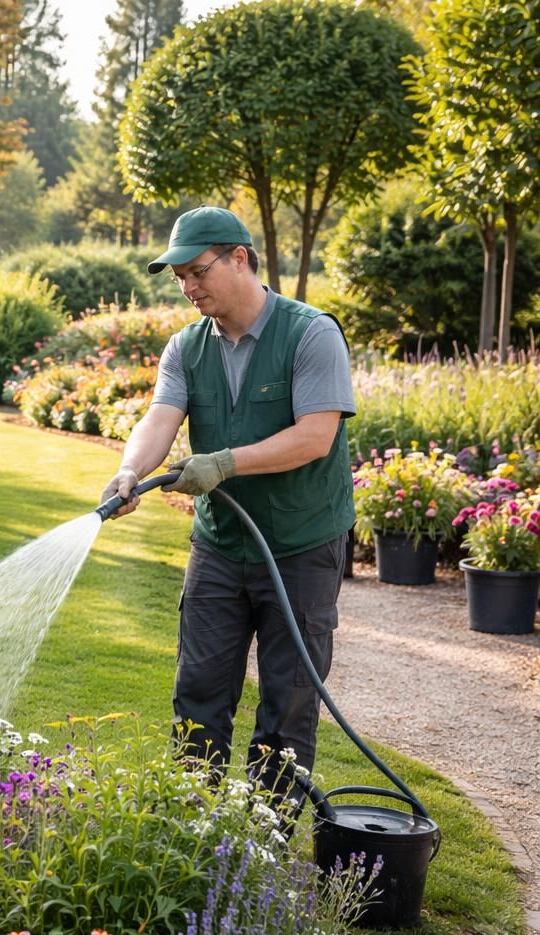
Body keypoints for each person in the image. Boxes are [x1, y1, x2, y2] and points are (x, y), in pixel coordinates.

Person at [99, 206, 356, 799]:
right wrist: (130, 469)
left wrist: (224, 462)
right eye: (179, 278)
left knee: (288, 702)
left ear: (240, 258)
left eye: (196, 271)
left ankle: (259, 844)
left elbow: (316, 437)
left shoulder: (311, 333)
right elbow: (160, 417)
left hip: (302, 545)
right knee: (199, 692)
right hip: (218, 547)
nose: (188, 288)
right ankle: (195, 829)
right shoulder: (186, 347)